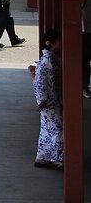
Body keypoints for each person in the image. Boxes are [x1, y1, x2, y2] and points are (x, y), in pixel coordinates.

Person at [33, 29, 64, 170]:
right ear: (51, 43)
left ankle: (43, 156)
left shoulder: (49, 58)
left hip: (50, 99)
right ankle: (56, 158)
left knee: (47, 128)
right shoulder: (48, 60)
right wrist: (42, 99)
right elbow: (40, 81)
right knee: (58, 128)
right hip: (50, 100)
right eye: (59, 40)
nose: (61, 42)